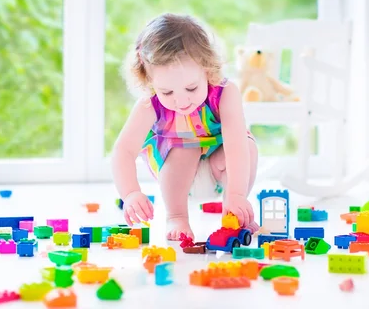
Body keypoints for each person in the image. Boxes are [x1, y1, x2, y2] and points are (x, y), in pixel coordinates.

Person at [111, 13, 259, 240]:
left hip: (222, 173)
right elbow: (123, 150)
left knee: (247, 145)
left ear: (207, 70)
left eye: (191, 88)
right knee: (185, 148)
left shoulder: (225, 93)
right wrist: (130, 193)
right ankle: (177, 217)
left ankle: (234, 212)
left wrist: (237, 194)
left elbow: (236, 145)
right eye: (167, 92)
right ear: (150, 82)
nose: (181, 102)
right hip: (177, 179)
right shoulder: (149, 104)